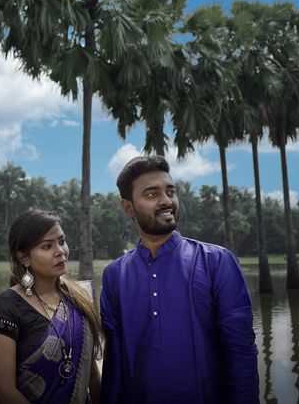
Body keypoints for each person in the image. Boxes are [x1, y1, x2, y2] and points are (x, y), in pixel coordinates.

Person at [100, 155, 258, 403]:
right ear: (128, 207)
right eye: (152, 194)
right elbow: (114, 362)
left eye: (170, 192)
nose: (166, 201)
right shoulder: (114, 275)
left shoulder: (217, 262)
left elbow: (241, 351)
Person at [0, 209, 102, 403]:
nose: (60, 251)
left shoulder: (79, 299)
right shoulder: (7, 308)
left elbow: (90, 373)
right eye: (47, 246)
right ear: (24, 258)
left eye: (62, 242)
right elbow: (1, 391)